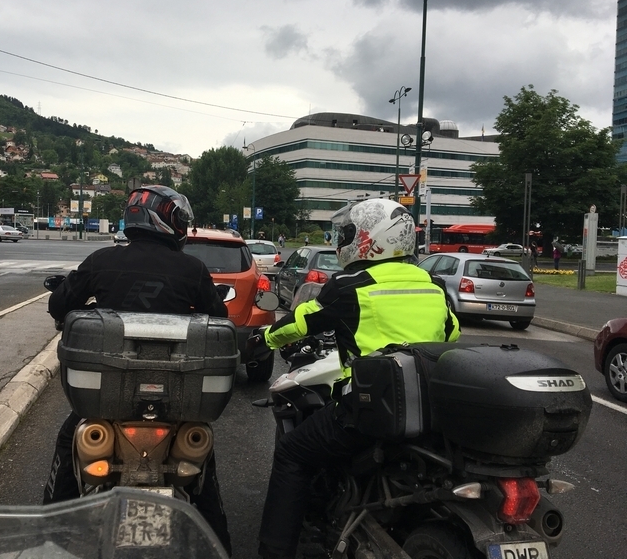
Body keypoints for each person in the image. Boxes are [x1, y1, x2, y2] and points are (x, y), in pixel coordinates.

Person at [253, 198, 461, 559]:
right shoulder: (434, 284)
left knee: (292, 453)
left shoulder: (351, 285)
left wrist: (263, 339)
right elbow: (451, 333)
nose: (343, 240)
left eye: (348, 233)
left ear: (370, 238)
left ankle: (274, 552)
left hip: (369, 409)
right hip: (430, 407)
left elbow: (302, 321)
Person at [43, 185, 233, 555]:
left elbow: (58, 306)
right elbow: (219, 317)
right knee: (200, 459)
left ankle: (51, 537)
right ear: (169, 221)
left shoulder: (102, 260)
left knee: (71, 440)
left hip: (107, 400)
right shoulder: (192, 269)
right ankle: (219, 547)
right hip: (176, 400)